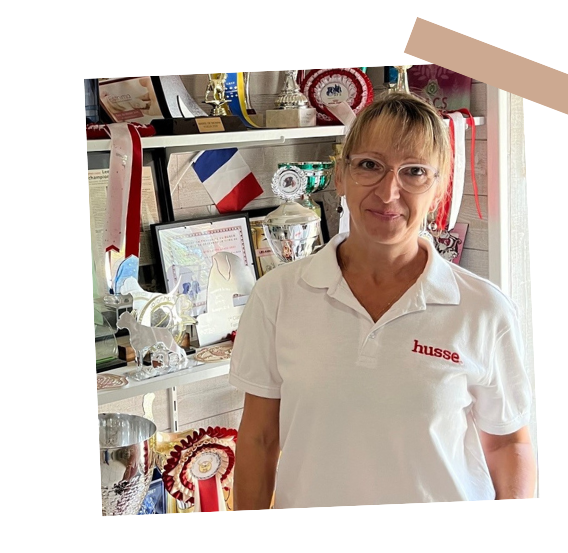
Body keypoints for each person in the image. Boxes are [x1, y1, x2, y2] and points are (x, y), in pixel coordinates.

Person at [228, 92, 536, 510]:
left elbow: (507, 444)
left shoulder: (484, 309)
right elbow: (260, 439)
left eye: (414, 172)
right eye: (370, 165)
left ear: (438, 189)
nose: (389, 192)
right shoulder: (277, 296)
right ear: (340, 175)